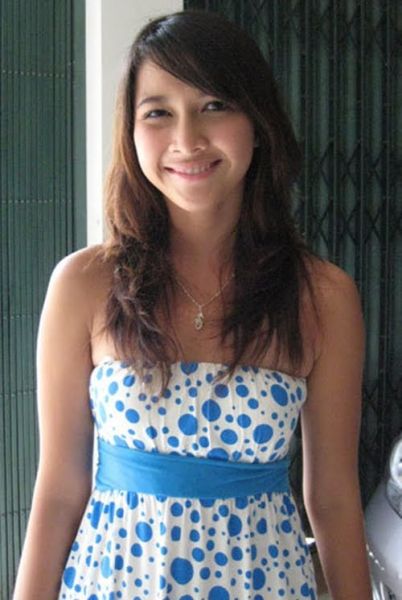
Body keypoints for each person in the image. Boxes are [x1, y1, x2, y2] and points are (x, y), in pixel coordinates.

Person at [13, 10, 372, 600]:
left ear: (258, 123)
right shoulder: (84, 284)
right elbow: (58, 491)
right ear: (131, 132)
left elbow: (332, 498)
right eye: (158, 113)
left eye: (214, 105)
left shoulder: (323, 297)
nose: (187, 140)